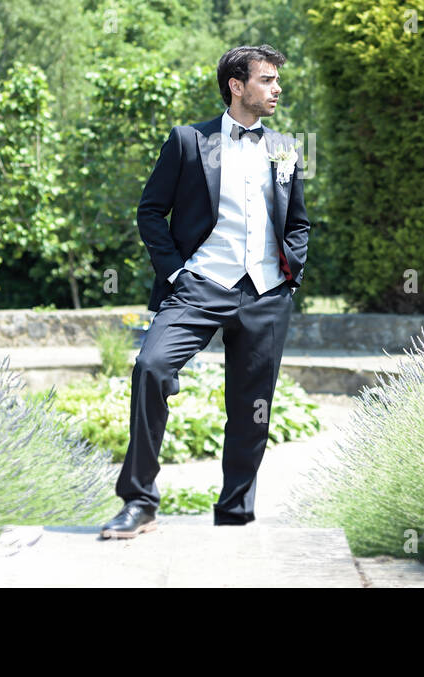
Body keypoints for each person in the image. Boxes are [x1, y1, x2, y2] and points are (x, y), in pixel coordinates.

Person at [99, 45, 310, 538]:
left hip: (266, 293)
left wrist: (291, 273)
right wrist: (175, 273)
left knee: (251, 406)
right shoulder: (191, 141)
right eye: (267, 80)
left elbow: (297, 220)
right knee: (151, 368)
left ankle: (235, 514)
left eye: (276, 80)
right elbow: (150, 210)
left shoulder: (285, 147)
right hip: (199, 286)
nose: (276, 88)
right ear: (237, 86)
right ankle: (139, 502)